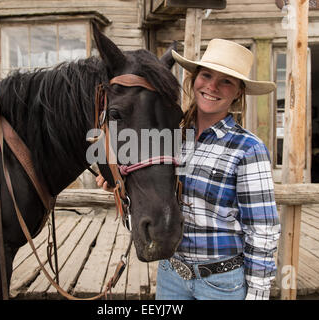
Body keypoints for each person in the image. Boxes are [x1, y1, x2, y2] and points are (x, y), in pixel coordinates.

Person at [96, 38, 280, 300]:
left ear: (238, 92)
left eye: (226, 81)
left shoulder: (248, 148)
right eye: (206, 75)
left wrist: (258, 294)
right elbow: (146, 179)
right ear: (194, 79)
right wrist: (114, 179)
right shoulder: (173, 137)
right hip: (172, 275)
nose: (212, 86)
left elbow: (262, 229)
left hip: (220, 282)